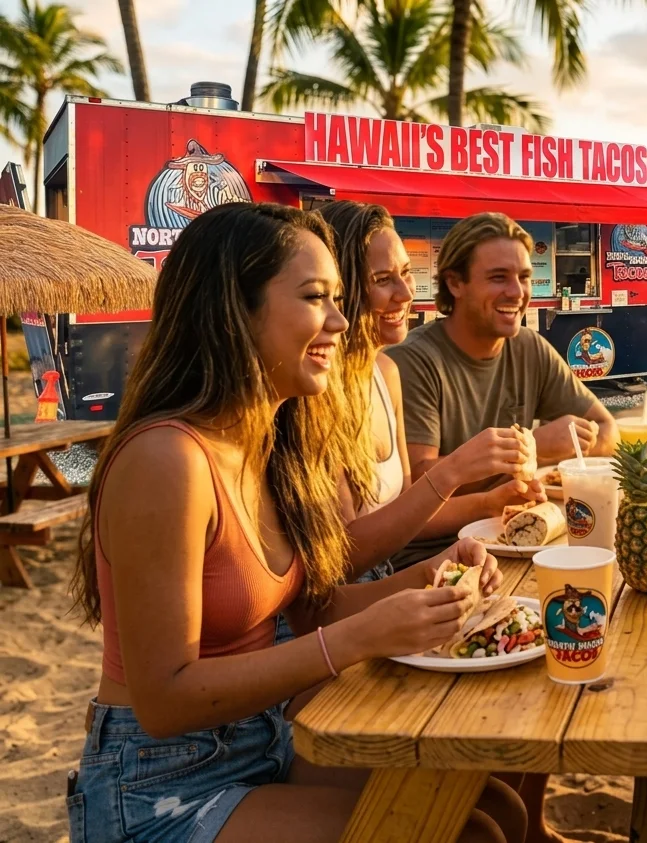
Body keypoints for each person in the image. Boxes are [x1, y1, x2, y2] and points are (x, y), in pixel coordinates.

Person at [66, 202, 525, 843]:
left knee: (493, 806)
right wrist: (358, 640)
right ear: (233, 310)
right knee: (458, 834)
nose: (341, 321)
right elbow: (164, 699)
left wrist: (429, 577)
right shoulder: (166, 459)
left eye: (339, 297)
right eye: (316, 297)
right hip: (161, 785)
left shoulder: (271, 441)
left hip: (270, 736)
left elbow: (311, 610)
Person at [386, 212, 618, 571]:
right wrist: (532, 448)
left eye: (524, 277)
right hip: (430, 560)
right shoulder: (414, 362)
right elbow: (416, 489)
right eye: (498, 278)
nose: (517, 292)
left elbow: (607, 430)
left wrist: (555, 447)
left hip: (514, 542)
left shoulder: (528, 347)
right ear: (455, 283)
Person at [317, 200, 533, 580]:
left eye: (405, 273)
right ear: (339, 288)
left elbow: (403, 510)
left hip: (384, 580)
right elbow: (342, 558)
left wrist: (486, 508)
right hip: (340, 607)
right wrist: (455, 468)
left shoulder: (385, 371)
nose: (404, 293)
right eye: (383, 280)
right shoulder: (317, 392)